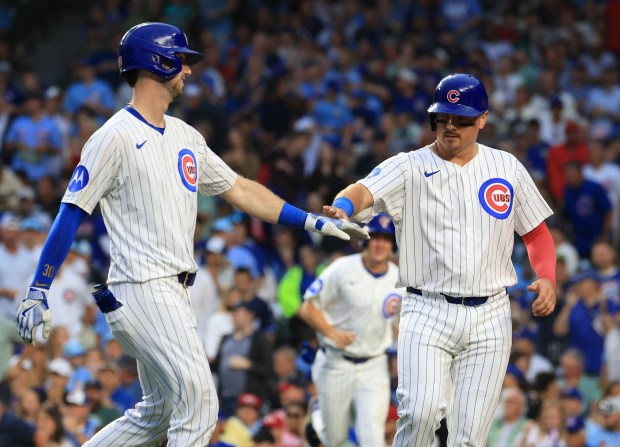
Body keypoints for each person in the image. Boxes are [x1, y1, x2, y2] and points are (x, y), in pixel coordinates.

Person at [14, 22, 367, 447]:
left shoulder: (186, 135)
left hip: (170, 292)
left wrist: (310, 220)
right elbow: (70, 213)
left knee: (158, 414)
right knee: (200, 404)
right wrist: (38, 288)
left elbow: (239, 189)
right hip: (143, 287)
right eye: (181, 60)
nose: (189, 70)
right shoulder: (114, 137)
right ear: (157, 62)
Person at [323, 73, 557, 446]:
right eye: (443, 117)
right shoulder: (409, 165)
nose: (451, 126)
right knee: (421, 412)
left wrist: (546, 276)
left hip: (491, 315)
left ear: (482, 119)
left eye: (462, 119)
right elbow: (363, 189)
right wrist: (343, 206)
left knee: (469, 437)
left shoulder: (506, 167)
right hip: (426, 309)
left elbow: (535, 233)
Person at [298, 213, 402, 447]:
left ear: (392, 245)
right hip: (336, 361)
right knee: (334, 438)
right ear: (365, 239)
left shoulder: (399, 278)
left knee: (372, 437)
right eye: (375, 237)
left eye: (386, 239)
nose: (380, 244)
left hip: (374, 364)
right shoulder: (343, 268)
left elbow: (400, 320)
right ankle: (317, 412)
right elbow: (306, 308)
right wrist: (332, 333)